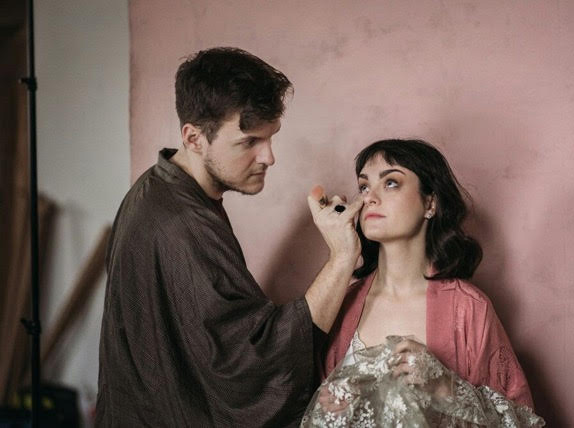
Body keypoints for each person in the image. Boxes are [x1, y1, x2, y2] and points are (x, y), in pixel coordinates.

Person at [96, 47, 363, 427]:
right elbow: (254, 363)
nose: (268, 157)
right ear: (194, 138)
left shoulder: (156, 188)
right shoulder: (181, 225)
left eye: (270, 138)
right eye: (249, 142)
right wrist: (341, 258)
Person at [316, 139, 535, 422]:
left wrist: (445, 388)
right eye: (364, 186)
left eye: (391, 183)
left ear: (430, 202)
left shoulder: (468, 308)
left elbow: (521, 419)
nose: (369, 197)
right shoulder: (340, 304)